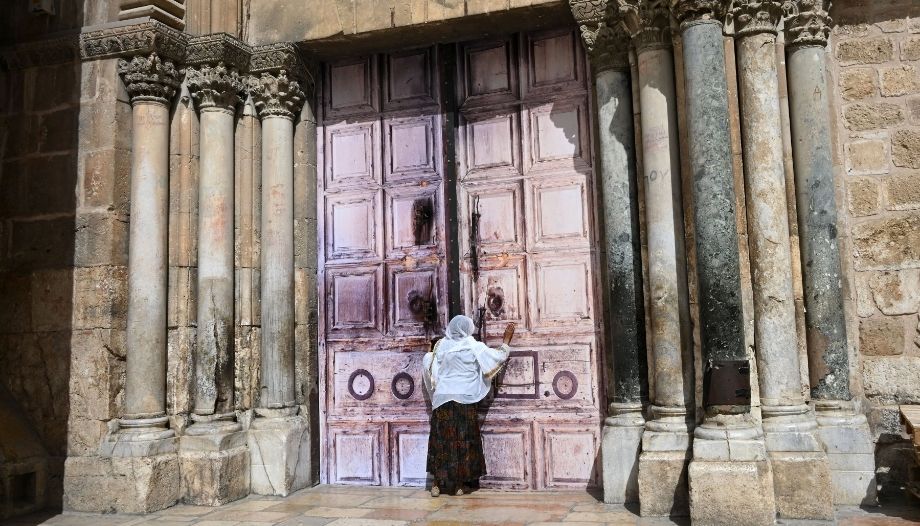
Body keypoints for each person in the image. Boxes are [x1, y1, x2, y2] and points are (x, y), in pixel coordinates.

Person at [422, 315, 515, 497]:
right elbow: (496, 357)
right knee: (462, 440)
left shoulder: (441, 346)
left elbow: (429, 363)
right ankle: (458, 485)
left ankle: (436, 484)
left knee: (441, 441)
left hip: (442, 399)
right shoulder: (473, 345)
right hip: (463, 399)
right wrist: (506, 341)